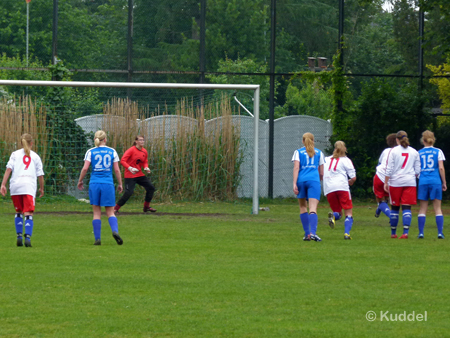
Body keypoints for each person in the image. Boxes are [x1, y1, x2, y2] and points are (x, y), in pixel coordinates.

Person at [77, 130, 123, 245]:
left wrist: (80, 180)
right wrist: (120, 183)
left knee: (96, 213)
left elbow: (85, 168)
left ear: (95, 139)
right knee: (110, 212)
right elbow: (117, 170)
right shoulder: (112, 151)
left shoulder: (90, 151)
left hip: (95, 184)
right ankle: (115, 231)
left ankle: (97, 239)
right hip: (108, 184)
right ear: (105, 139)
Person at [1, 134, 44, 247]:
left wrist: (3, 184)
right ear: (32, 143)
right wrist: (41, 188)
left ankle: (19, 236)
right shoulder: (35, 156)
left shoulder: (14, 154)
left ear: (21, 143)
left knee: (18, 211)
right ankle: (27, 238)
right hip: (28, 186)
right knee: (28, 213)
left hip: (15, 187)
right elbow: (40, 175)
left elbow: (8, 169)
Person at [384, 131, 421, 239]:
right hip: (410, 182)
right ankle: (405, 232)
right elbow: (418, 170)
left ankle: (393, 232)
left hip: (396, 182)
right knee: (406, 207)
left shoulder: (393, 151)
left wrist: (386, 182)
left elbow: (389, 168)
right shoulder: (414, 152)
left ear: (396, 139)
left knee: (395, 207)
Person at [292, 132, 325, 242]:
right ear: (313, 140)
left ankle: (307, 235)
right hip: (314, 181)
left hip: (301, 180)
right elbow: (321, 172)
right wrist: (318, 180)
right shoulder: (319, 153)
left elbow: (296, 168)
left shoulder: (298, 152)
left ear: (303, 141)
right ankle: (313, 233)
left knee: (302, 207)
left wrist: (294, 183)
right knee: (313, 208)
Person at [114, 135, 157, 214]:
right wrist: (130, 168)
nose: (142, 142)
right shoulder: (131, 150)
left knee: (151, 188)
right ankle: (116, 208)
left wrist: (146, 167)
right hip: (130, 175)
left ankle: (146, 207)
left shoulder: (144, 151)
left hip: (139, 174)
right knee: (129, 192)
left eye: (143, 140)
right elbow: (123, 160)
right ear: (136, 141)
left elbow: (145, 161)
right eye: (140, 140)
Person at [323, 141, 356, 240]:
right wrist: (351, 181)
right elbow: (353, 177)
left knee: (338, 212)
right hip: (342, 187)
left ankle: (334, 216)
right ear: (344, 149)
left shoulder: (326, 159)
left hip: (329, 188)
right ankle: (346, 233)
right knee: (348, 213)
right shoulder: (346, 160)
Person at [417, 130, 447, 239]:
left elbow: (417, 169)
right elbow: (441, 168)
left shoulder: (419, 152)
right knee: (437, 208)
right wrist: (444, 182)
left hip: (423, 181)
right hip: (435, 181)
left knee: (422, 208)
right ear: (433, 139)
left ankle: (421, 233)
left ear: (423, 140)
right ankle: (440, 233)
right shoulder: (438, 151)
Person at [373, 133, 397, 219]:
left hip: (380, 176)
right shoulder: (400, 152)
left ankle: (390, 215)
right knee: (387, 197)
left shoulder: (386, 151)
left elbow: (380, 162)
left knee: (380, 199)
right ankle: (379, 210)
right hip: (393, 178)